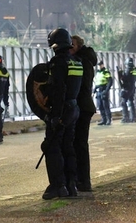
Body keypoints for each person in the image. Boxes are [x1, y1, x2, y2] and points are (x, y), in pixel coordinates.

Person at [42, 28, 82, 199]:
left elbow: (59, 90)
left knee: (51, 147)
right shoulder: (77, 62)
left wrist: (55, 115)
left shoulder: (58, 63)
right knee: (68, 146)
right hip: (74, 108)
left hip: (61, 109)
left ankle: (58, 186)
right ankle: (71, 184)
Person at [71, 35, 97, 192]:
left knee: (79, 145)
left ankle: (83, 181)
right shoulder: (85, 59)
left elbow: (82, 87)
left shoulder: (82, 62)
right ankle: (81, 180)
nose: (69, 47)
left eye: (72, 44)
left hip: (82, 106)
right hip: (84, 106)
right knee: (79, 144)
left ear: (79, 46)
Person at [117, 58, 136, 123]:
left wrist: (120, 73)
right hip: (132, 87)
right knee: (131, 102)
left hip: (127, 88)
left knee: (123, 102)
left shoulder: (128, 69)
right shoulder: (135, 69)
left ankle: (125, 118)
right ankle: (133, 118)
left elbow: (124, 78)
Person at [94, 60, 113, 125]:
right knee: (100, 106)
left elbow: (110, 81)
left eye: (100, 65)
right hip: (98, 91)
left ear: (103, 65)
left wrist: (106, 90)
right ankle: (103, 119)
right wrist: (94, 90)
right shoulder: (98, 72)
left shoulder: (106, 72)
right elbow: (97, 82)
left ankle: (109, 119)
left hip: (103, 90)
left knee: (106, 106)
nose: (99, 66)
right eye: (98, 65)